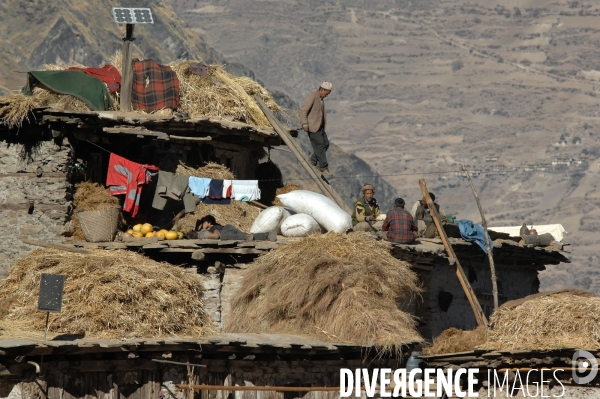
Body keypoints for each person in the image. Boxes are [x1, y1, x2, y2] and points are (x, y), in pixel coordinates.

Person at [300, 82, 333, 176]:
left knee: (326, 144)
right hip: (313, 126)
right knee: (320, 145)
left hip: (320, 127)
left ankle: (313, 160)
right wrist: (305, 124)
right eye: (327, 93)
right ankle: (323, 167)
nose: (327, 95)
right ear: (322, 90)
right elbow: (303, 110)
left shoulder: (321, 98)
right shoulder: (313, 97)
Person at [191, 215, 276, 241]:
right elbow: (197, 230)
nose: (202, 224)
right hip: (229, 229)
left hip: (226, 231)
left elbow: (216, 235)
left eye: (203, 222)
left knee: (223, 236)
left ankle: (245, 237)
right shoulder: (210, 228)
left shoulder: (212, 228)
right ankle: (268, 234)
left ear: (209, 222)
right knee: (249, 236)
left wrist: (200, 235)